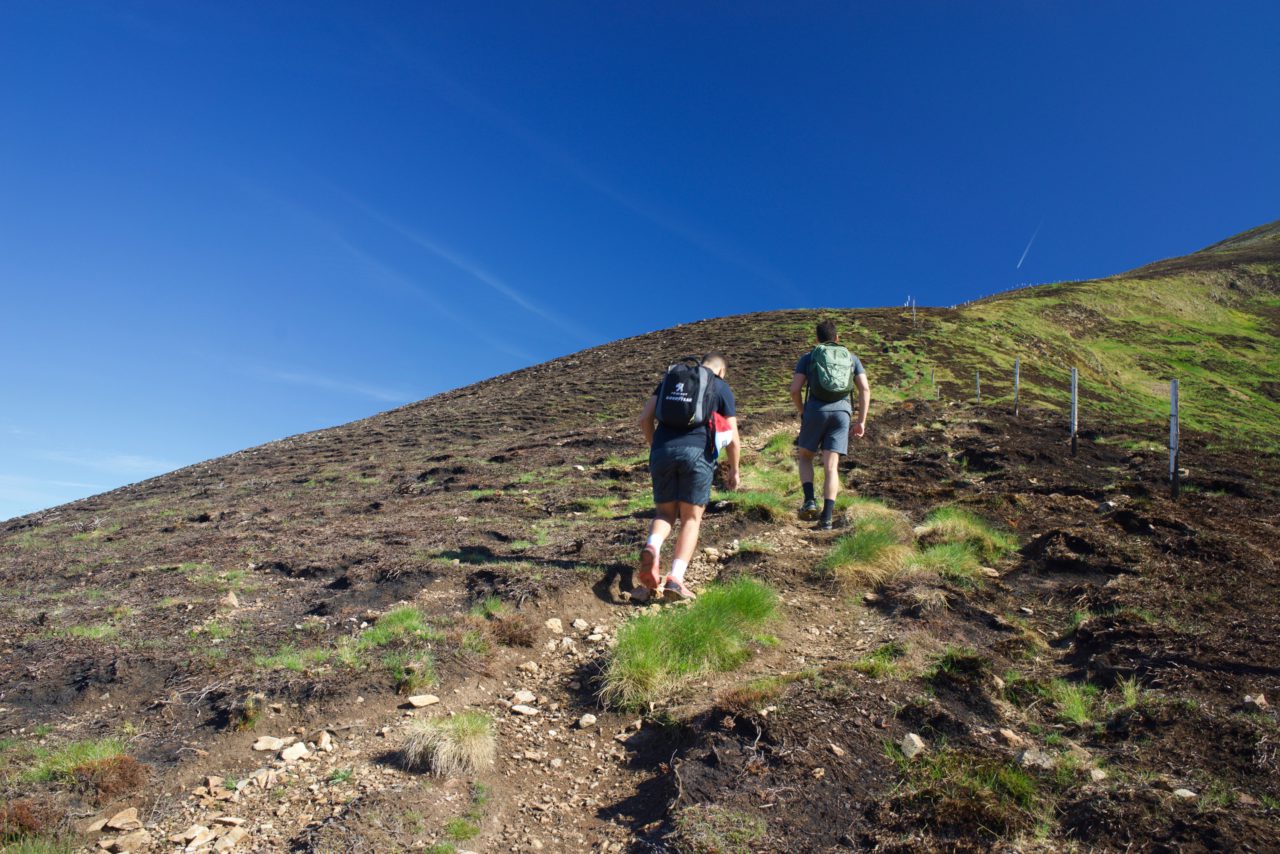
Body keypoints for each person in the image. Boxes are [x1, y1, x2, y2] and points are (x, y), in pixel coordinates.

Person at [635, 352, 741, 601]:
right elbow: (733, 437)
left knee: (664, 514)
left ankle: (652, 546)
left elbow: (644, 418)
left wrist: (655, 447)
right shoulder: (721, 387)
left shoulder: (670, 380)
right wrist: (734, 470)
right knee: (691, 518)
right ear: (721, 371)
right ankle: (676, 578)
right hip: (697, 452)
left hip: (662, 451)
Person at [790, 320, 871, 530]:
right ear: (837, 338)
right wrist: (861, 421)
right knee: (831, 466)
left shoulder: (809, 357)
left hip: (815, 411)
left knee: (806, 456)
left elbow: (794, 389)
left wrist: (803, 411)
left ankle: (809, 500)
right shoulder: (851, 358)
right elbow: (864, 389)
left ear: (816, 339)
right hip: (842, 413)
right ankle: (826, 518)